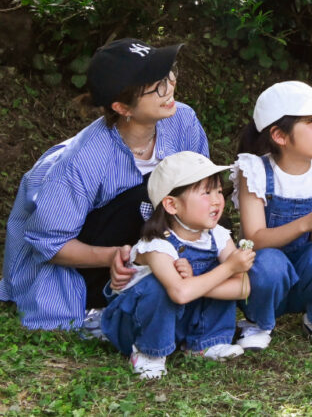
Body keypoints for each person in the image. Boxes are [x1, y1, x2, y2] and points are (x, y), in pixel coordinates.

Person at [0, 38, 210, 332]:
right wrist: (113, 257)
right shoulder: (83, 158)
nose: (169, 87)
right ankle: (101, 304)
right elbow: (49, 243)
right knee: (144, 194)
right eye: (157, 86)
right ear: (123, 107)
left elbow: (202, 190)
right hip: (93, 262)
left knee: (182, 191)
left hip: (153, 250)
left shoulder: (182, 120)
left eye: (168, 74)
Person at [100, 152, 256, 379]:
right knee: (158, 286)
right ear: (172, 205)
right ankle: (148, 352)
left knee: (214, 275)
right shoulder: (156, 246)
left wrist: (199, 281)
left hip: (177, 323)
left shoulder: (218, 236)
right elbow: (181, 293)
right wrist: (227, 269)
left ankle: (205, 342)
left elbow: (243, 288)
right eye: (206, 193)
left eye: (219, 192)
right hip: (133, 326)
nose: (217, 200)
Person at [231, 81, 312, 350]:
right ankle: (258, 322)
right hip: (265, 281)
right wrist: (307, 221)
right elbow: (254, 240)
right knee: (268, 262)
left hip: (303, 281)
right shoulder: (255, 171)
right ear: (279, 135)